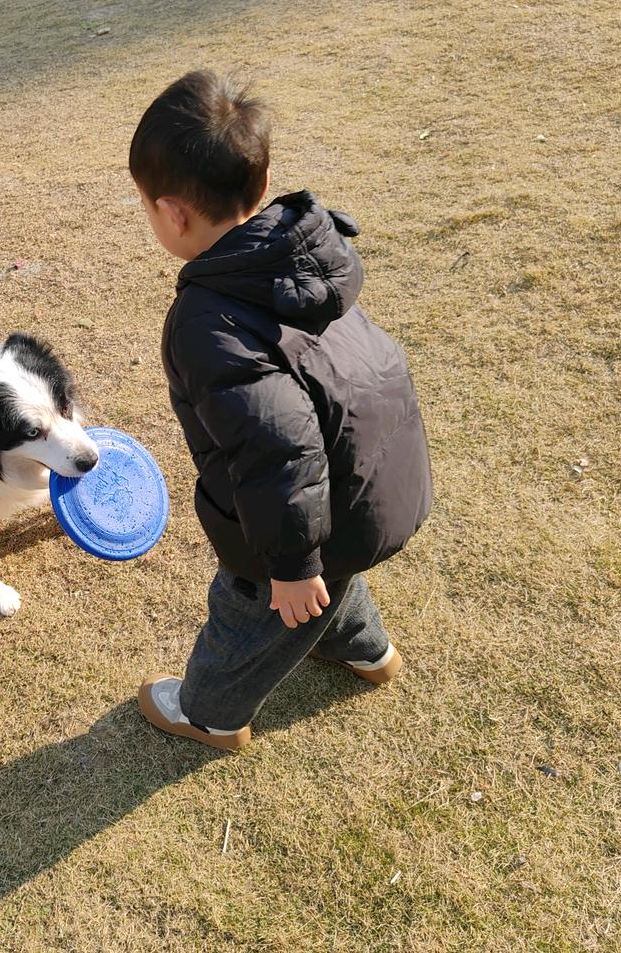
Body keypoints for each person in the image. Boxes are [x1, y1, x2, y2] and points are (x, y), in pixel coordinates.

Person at [131, 70, 432, 750]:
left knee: (254, 608)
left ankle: (210, 713)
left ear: (174, 213)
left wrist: (290, 567)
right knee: (333, 575)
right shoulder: (303, 253)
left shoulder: (206, 323)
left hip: (311, 513)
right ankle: (366, 651)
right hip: (376, 477)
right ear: (260, 187)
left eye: (145, 206)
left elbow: (278, 449)